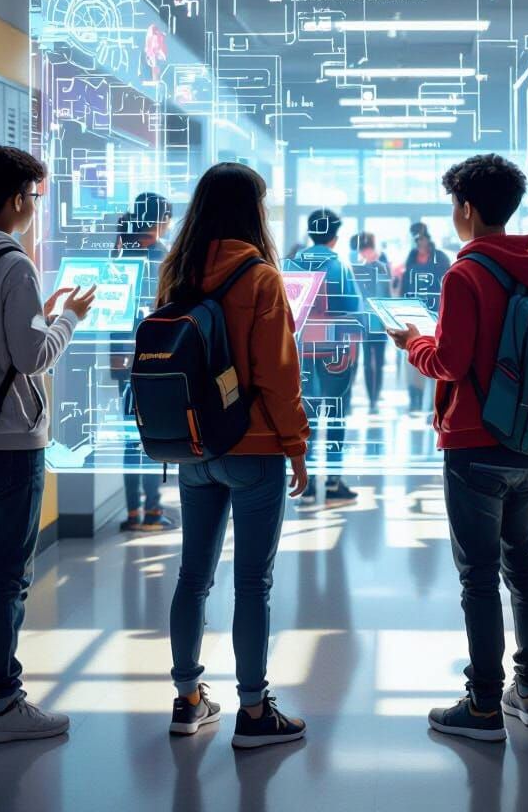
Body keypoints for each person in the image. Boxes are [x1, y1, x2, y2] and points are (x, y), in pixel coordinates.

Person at [389, 154, 528, 742]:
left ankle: (483, 705)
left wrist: (413, 342)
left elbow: (451, 362)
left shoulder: (464, 275)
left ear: (466, 208)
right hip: (524, 441)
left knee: (479, 576)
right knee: (523, 564)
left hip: (473, 444)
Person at [0, 146, 95, 743]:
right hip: (11, 442)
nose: (36, 207)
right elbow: (32, 357)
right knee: (8, 575)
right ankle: (3, 705)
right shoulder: (15, 264)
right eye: (35, 196)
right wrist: (69, 318)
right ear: (15, 200)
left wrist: (43, 314)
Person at [158, 163, 310, 748]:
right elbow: (277, 378)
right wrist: (296, 447)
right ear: (252, 211)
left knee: (192, 576)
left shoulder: (179, 274)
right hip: (254, 452)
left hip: (196, 448)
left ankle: (188, 699)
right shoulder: (261, 278)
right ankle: (252, 712)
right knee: (252, 582)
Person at [284, 209, 363, 505]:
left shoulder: (292, 264)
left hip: (300, 349)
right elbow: (353, 312)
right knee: (336, 413)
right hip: (335, 350)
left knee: (306, 416)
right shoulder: (339, 266)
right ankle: (332, 482)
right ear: (335, 236)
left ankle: (304, 483)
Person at [111, 192, 176, 532]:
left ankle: (134, 512)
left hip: (123, 357)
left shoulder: (121, 251)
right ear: (161, 221)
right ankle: (151, 512)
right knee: (149, 434)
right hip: (154, 356)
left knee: (129, 437)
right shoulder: (160, 257)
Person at [402, 222, 452, 412]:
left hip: (435, 314)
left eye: (420, 237)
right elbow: (406, 284)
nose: (418, 241)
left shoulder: (440, 258)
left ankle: (434, 404)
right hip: (413, 313)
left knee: (434, 355)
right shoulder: (411, 257)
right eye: (415, 238)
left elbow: (447, 286)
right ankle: (415, 398)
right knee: (413, 357)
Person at [350, 231, 392, 414]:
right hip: (366, 321)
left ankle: (375, 396)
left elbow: (387, 295)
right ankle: (372, 399)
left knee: (380, 361)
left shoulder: (383, 267)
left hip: (381, 322)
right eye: (363, 251)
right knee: (367, 361)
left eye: (367, 250)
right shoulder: (357, 270)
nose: (365, 253)